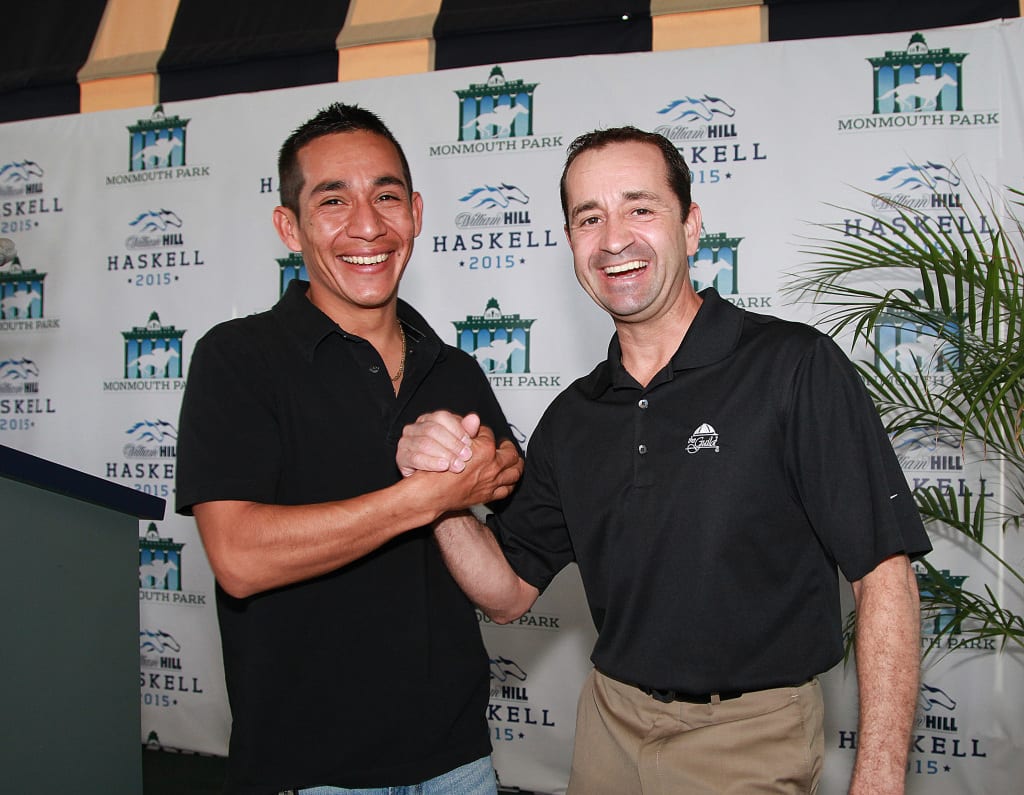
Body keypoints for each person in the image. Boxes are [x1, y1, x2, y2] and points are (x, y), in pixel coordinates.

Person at [397, 126, 931, 794]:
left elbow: (884, 574)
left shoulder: (793, 367)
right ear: (571, 244)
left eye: (640, 208)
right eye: (589, 217)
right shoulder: (574, 415)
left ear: (691, 226)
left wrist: (880, 777)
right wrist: (435, 495)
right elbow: (506, 592)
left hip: (750, 737)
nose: (614, 238)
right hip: (608, 728)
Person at [175, 103, 523, 795]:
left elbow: (503, 567)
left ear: (416, 212)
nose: (368, 225)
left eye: (387, 196)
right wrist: (423, 494)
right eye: (333, 200)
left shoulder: (452, 370)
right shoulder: (239, 358)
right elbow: (239, 557)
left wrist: (464, 485)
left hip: (461, 762)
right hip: (312, 771)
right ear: (289, 225)